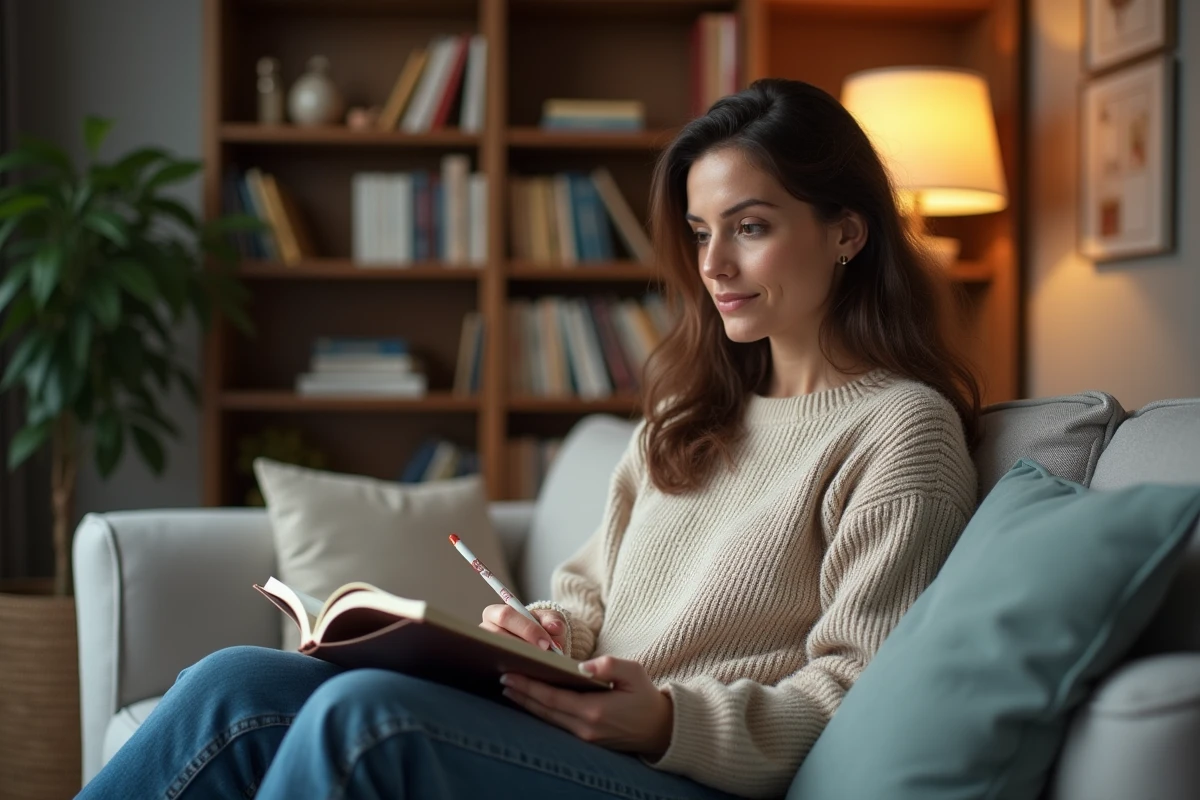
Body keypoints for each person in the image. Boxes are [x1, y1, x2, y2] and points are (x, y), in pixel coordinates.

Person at [77, 78, 980, 800]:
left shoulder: (900, 431)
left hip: (688, 772)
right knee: (233, 682)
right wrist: (545, 632)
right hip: (582, 734)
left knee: (369, 717)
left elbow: (857, 695)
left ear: (847, 232)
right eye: (702, 233)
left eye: (751, 228)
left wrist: (668, 722)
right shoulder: (691, 413)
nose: (712, 266)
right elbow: (589, 596)